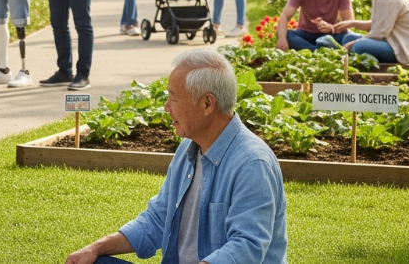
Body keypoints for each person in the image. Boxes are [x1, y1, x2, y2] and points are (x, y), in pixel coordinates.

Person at [66, 49, 288, 264]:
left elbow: (247, 247)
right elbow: (157, 219)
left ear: (207, 103)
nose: (166, 107)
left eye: (173, 98)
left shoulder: (252, 163)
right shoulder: (187, 149)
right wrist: (95, 248)